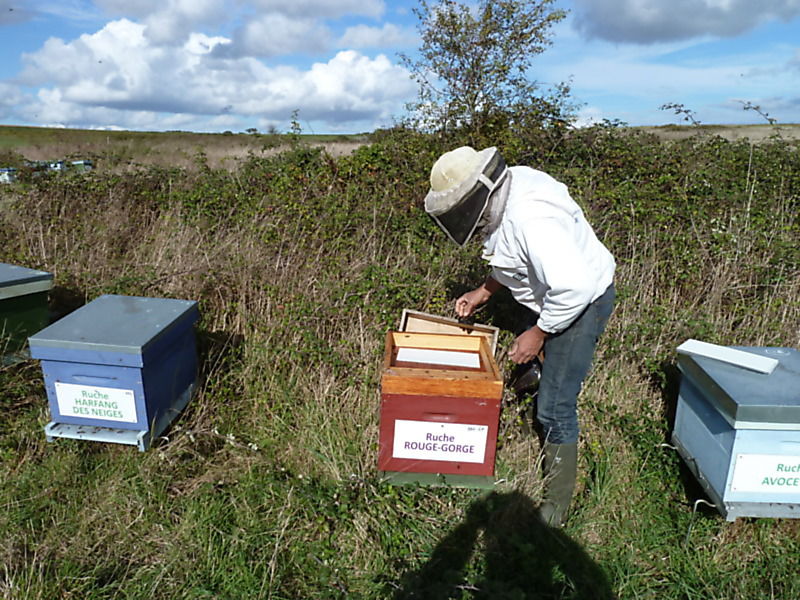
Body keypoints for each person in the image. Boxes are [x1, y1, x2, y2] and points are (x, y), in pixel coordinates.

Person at [424, 146, 616, 527]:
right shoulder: (510, 192)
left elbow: (573, 288)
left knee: (555, 408)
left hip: (581, 301)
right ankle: (544, 377)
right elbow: (516, 257)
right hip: (554, 292)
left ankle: (555, 510)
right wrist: (484, 292)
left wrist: (539, 333)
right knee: (543, 372)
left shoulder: (533, 219)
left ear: (477, 194)